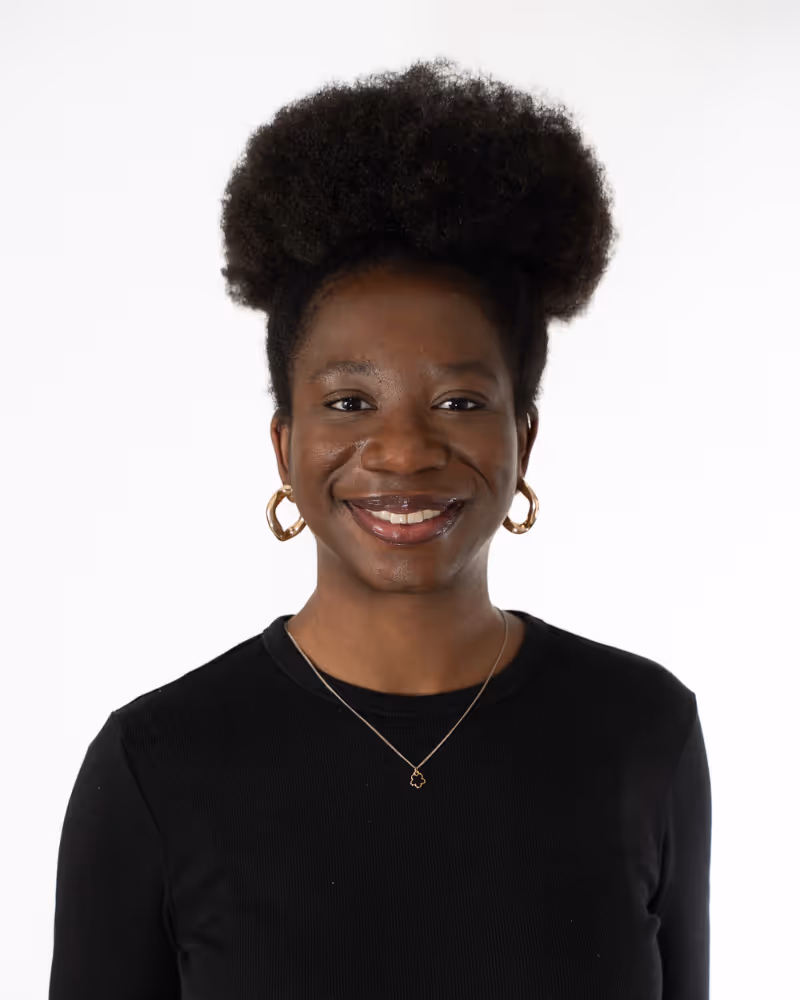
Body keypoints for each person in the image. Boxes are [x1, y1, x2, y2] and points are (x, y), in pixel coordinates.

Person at [48, 56, 711, 999]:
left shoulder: (643, 732)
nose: (403, 452)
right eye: (350, 402)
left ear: (523, 437)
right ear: (285, 445)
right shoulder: (156, 765)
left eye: (459, 401)